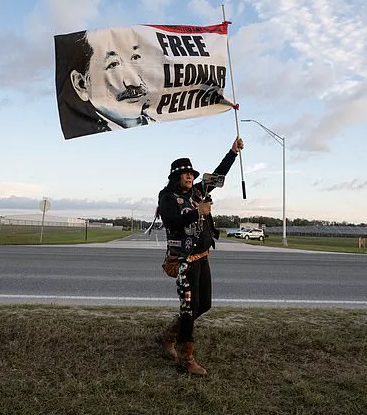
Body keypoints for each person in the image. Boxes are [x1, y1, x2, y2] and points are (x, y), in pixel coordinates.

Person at [158, 136, 244, 375]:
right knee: (188, 309)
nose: (190, 177)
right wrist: (197, 212)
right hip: (184, 262)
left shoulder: (198, 191)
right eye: (185, 174)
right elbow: (171, 222)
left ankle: (168, 335)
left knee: (203, 305)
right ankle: (185, 359)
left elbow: (218, 175)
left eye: (191, 174)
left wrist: (232, 152)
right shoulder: (167, 197)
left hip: (202, 257)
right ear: (176, 176)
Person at [55, 28, 155, 138]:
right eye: (113, 65)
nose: (135, 82)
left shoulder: (154, 121)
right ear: (81, 84)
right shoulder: (93, 137)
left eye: (135, 57)